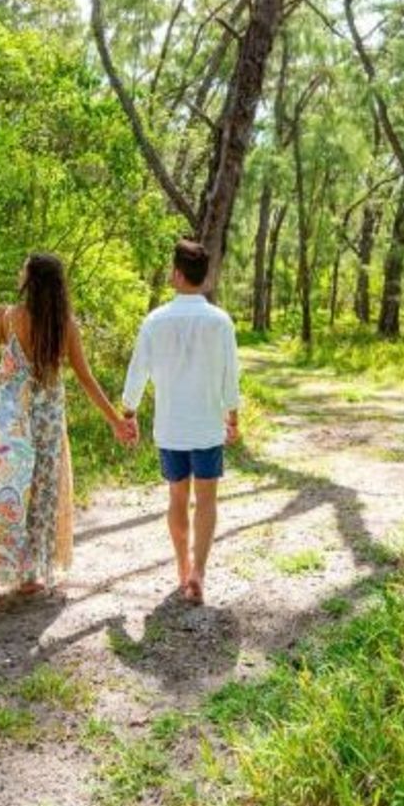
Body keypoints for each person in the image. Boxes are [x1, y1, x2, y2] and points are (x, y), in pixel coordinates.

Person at [0, 253, 136, 611]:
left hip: (8, 419)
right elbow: (85, 378)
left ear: (30, 281)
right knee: (40, 490)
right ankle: (30, 573)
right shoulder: (65, 325)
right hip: (47, 420)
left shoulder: (7, 317)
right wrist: (115, 421)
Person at [120, 238, 241, 605]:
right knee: (206, 500)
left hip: (170, 427)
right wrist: (232, 417)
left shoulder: (155, 320)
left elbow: (137, 371)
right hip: (206, 426)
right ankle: (199, 573)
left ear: (175, 274)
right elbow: (229, 375)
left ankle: (181, 568)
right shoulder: (220, 322)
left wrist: (129, 412)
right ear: (205, 278)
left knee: (177, 496)